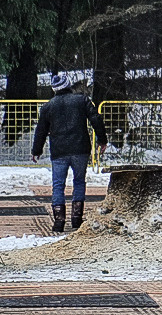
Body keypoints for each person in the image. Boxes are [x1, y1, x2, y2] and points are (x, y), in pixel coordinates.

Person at [30, 79, 107, 233]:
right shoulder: (81, 100)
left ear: (54, 89)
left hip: (59, 151)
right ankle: (76, 219)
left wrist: (36, 150)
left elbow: (41, 131)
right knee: (79, 182)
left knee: (58, 185)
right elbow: (96, 119)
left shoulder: (48, 106)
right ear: (68, 86)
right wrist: (102, 139)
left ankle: (59, 222)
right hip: (80, 148)